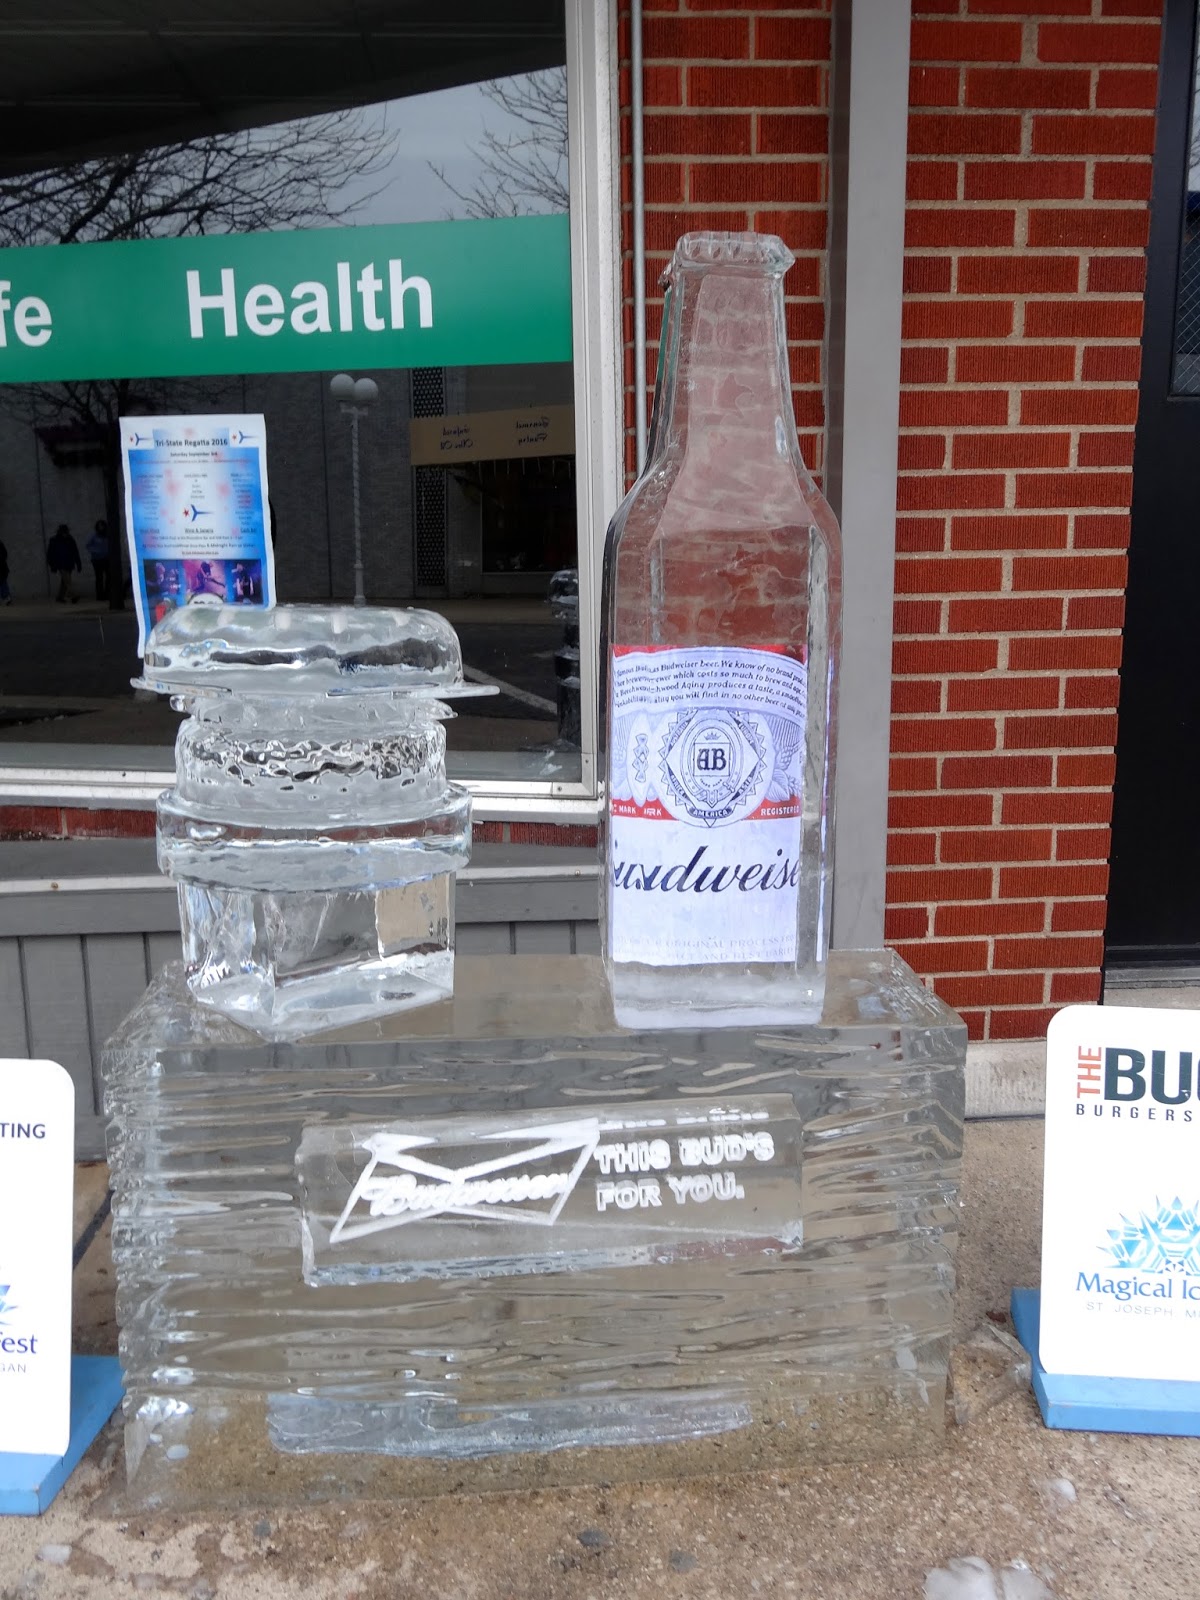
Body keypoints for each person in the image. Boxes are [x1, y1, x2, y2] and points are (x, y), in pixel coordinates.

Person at [46, 523, 81, 603]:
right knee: (67, 581)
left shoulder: (70, 539)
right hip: (60, 564)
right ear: (60, 532)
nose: (65, 534)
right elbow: (50, 553)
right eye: (63, 532)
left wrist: (78, 563)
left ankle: (60, 597)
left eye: (66, 532)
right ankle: (74, 595)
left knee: (64, 581)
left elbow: (75, 552)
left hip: (69, 563)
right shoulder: (54, 540)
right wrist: (52, 564)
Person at [86, 519, 110, 601]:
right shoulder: (94, 536)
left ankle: (107, 594)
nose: (101, 528)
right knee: (99, 578)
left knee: (109, 577)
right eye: (99, 526)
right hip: (97, 560)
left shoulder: (107, 536)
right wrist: (96, 551)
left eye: (102, 526)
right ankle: (100, 596)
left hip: (107, 559)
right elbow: (88, 546)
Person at [0, 539, 10, 604]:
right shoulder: (1, 545)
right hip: (3, 569)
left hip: (2, 569)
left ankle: (6, 598)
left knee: (3, 583)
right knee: (3, 583)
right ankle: (6, 598)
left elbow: (4, 555)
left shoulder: (1, 545)